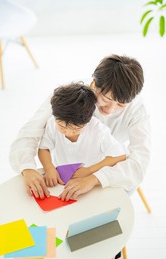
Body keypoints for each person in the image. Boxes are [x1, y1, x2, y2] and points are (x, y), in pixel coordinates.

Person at [9, 54, 150, 200]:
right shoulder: (71, 96)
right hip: (67, 170)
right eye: (106, 99)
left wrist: (94, 178)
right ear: (94, 84)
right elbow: (30, 132)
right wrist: (27, 167)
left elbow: (139, 163)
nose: (109, 109)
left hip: (108, 170)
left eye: (121, 104)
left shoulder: (137, 111)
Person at [36, 83, 125, 200]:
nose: (67, 132)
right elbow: (44, 148)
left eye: (75, 129)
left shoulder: (98, 130)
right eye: (61, 126)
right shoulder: (52, 123)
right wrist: (49, 168)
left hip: (90, 179)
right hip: (62, 176)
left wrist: (89, 170)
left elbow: (119, 155)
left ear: (87, 121)